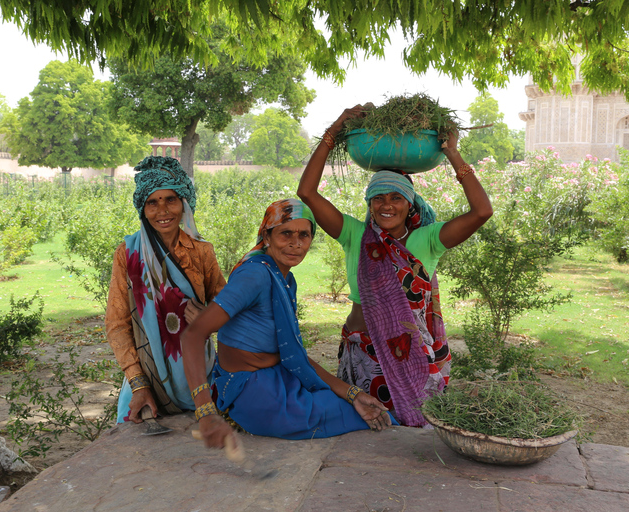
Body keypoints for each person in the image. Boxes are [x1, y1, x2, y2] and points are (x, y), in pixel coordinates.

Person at [297, 105, 493, 427]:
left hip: (411, 355)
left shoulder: (427, 240)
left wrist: (452, 153)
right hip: (363, 354)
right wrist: (333, 131)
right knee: (364, 429)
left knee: (415, 430)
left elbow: (482, 211)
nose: (387, 205)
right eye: (378, 198)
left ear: (409, 203)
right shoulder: (355, 235)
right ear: (370, 204)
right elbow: (306, 191)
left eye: (396, 198)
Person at [181, 199, 394, 449]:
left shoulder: (285, 279)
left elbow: (293, 354)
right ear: (267, 236)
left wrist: (352, 393)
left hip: (279, 378)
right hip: (256, 393)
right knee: (363, 416)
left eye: (304, 235)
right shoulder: (256, 275)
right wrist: (206, 413)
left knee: (355, 405)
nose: (296, 243)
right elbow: (192, 336)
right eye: (286, 234)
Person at [105, 156, 226, 424]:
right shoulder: (128, 254)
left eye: (170, 199)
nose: (163, 211)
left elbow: (228, 309)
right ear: (142, 208)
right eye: (152, 202)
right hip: (148, 380)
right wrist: (138, 383)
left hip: (200, 378)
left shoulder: (202, 253)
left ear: (184, 203)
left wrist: (207, 319)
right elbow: (117, 323)